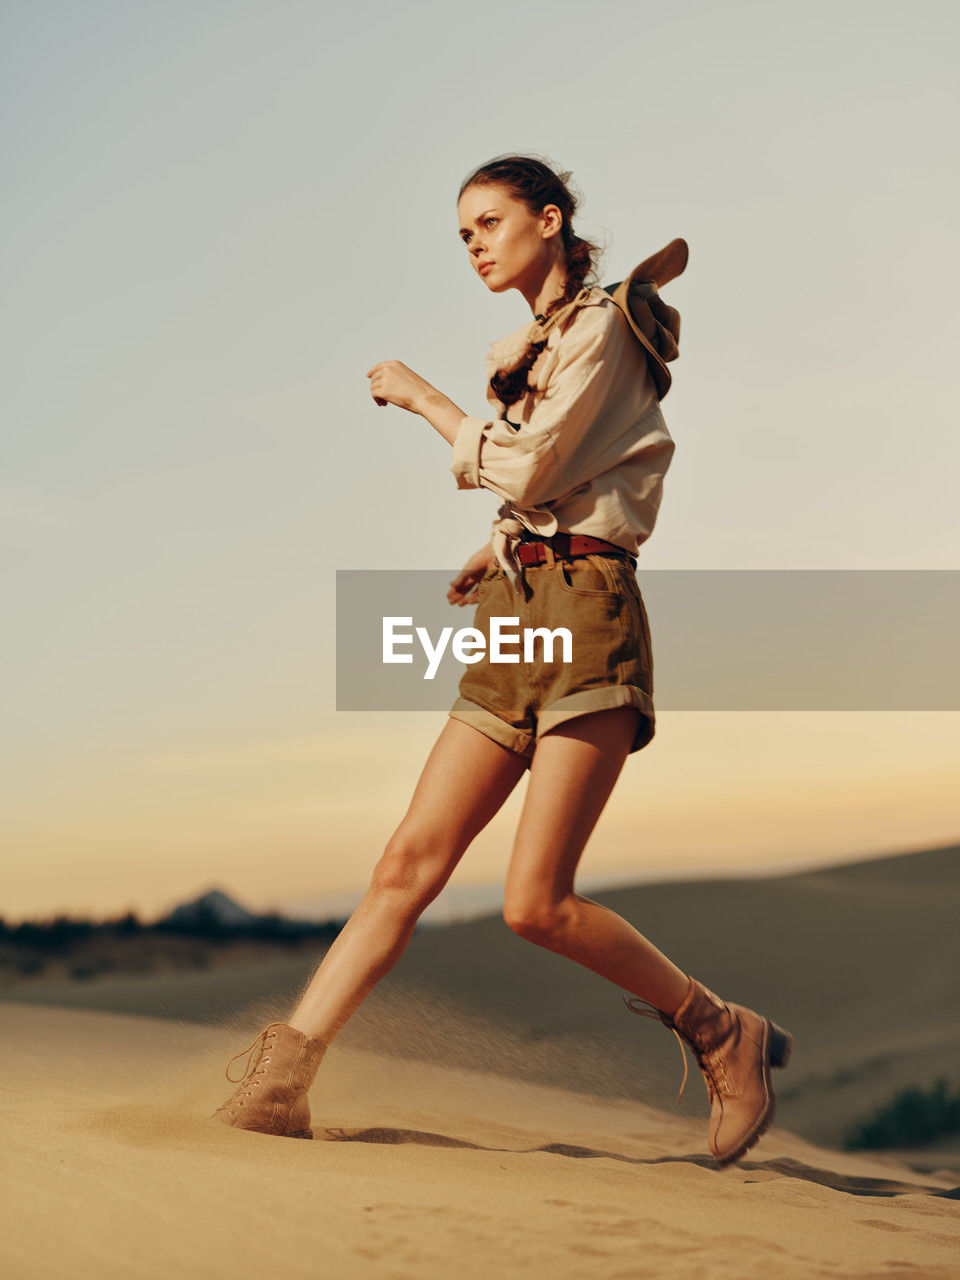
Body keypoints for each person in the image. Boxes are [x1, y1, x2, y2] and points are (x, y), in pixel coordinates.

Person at [209, 153, 793, 1167]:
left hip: (590, 618)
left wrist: (427, 401)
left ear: (551, 220)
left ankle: (718, 1028)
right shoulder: (536, 346)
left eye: (490, 220)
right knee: (407, 860)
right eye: (463, 231)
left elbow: (534, 460)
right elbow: (545, 479)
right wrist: (503, 538)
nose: (475, 242)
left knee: (536, 903)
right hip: (517, 614)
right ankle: (284, 1073)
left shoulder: (605, 326)